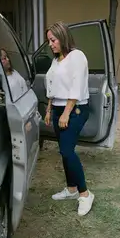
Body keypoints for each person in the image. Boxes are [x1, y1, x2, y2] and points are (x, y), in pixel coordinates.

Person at [44, 21, 95, 216]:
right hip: (57, 108)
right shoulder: (56, 61)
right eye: (49, 40)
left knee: (67, 151)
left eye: (53, 40)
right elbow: (52, 88)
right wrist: (49, 110)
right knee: (64, 150)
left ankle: (85, 194)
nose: (51, 44)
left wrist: (66, 113)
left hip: (75, 110)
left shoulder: (77, 56)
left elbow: (76, 86)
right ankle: (71, 189)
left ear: (63, 37)